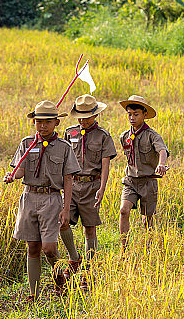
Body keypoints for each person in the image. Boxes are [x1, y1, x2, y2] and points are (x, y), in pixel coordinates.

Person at [4, 100, 81, 301]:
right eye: (39, 121)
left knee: (49, 248)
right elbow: (19, 169)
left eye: (47, 122)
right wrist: (12, 176)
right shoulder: (26, 144)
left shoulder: (63, 147)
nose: (42, 126)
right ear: (34, 123)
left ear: (56, 123)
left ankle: (59, 279)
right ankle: (33, 294)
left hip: (51, 199)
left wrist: (66, 209)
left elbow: (68, 179)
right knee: (33, 247)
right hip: (29, 198)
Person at [62, 94, 117, 289]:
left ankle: (89, 271)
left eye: (87, 116)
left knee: (89, 229)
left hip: (92, 186)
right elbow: (62, 159)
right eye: (80, 116)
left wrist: (102, 189)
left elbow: (105, 166)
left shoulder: (103, 136)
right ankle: (74, 258)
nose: (83, 120)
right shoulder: (69, 132)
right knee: (62, 222)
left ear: (95, 115)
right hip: (71, 185)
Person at [117, 95, 169, 248]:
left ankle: (149, 248)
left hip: (148, 181)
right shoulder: (124, 136)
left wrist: (161, 165)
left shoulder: (152, 135)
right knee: (123, 211)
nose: (132, 118)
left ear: (145, 115)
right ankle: (124, 248)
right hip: (131, 181)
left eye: (136, 114)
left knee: (147, 218)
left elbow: (162, 150)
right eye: (129, 114)